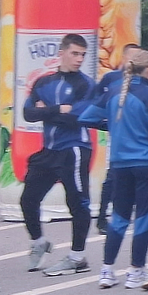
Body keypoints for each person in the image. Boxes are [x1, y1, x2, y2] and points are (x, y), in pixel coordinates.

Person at [78, 47, 148, 289]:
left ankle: (107, 270)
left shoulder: (112, 93)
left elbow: (86, 118)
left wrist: (114, 127)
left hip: (120, 163)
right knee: (144, 217)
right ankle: (136, 270)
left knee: (119, 217)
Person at [21, 34, 96, 276]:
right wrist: (57, 110)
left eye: (83, 54)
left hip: (74, 149)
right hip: (49, 151)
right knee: (28, 199)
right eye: (75, 53)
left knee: (77, 203)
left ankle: (77, 257)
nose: (79, 59)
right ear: (61, 53)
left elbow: (77, 118)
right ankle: (39, 242)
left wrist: (46, 111)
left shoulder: (85, 84)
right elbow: (28, 114)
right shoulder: (43, 82)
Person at [93, 43, 148, 234]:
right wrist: (110, 125)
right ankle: (102, 216)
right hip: (118, 139)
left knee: (131, 178)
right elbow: (95, 104)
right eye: (132, 57)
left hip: (141, 142)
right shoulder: (111, 79)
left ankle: (129, 214)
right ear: (124, 59)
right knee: (111, 178)